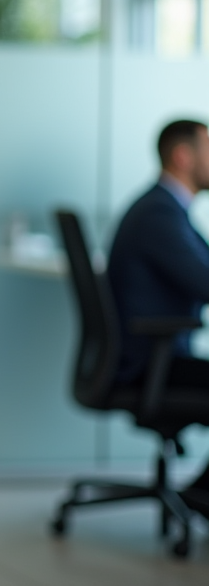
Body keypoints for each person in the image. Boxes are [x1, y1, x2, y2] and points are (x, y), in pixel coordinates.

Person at [107, 118, 209, 516]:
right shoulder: (159, 215)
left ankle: (199, 494)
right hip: (150, 364)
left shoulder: (165, 209)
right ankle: (201, 497)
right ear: (183, 156)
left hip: (152, 357)